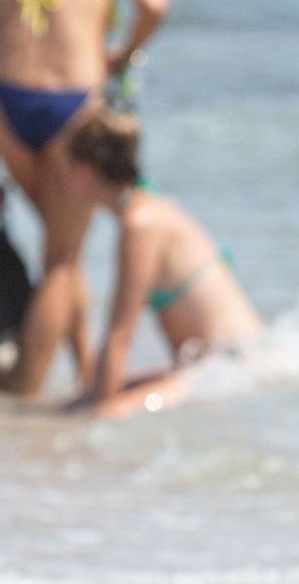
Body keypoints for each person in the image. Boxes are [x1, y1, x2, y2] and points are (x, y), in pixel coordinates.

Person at [0, 0, 169, 399]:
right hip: (70, 108)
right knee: (63, 261)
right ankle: (25, 399)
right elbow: (156, 1)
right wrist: (123, 51)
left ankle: (85, 373)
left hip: (4, 106)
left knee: (62, 252)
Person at [64, 110, 262, 418]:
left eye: (68, 164)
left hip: (232, 364)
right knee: (74, 406)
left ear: (87, 171)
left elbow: (120, 334)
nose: (62, 174)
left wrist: (96, 404)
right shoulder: (148, 204)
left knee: (101, 413)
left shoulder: (140, 224)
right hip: (221, 364)